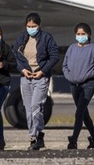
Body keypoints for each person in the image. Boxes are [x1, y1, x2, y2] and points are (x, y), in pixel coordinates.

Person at [14, 12, 59, 151]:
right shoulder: (22, 38)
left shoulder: (46, 38)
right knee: (28, 110)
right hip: (26, 78)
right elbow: (15, 56)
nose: (31, 28)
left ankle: (39, 134)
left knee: (35, 107)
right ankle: (33, 138)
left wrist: (43, 71)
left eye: (33, 26)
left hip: (40, 77)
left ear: (39, 26)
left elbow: (54, 56)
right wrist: (22, 70)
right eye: (28, 26)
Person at [62, 22, 94, 149]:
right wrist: (69, 76)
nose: (80, 36)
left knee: (79, 112)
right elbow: (65, 66)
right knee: (84, 113)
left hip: (88, 85)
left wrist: (88, 75)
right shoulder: (71, 48)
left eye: (83, 34)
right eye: (78, 34)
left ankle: (73, 140)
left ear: (88, 34)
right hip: (74, 85)